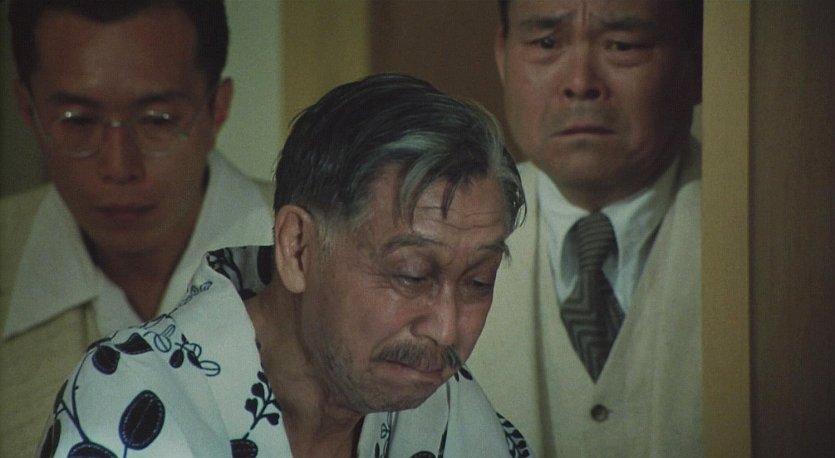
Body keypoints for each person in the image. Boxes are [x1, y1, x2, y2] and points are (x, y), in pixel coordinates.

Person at [37, 73, 532, 457]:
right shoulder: (133, 401)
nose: (446, 330)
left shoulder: (454, 411)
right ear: (297, 248)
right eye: (411, 275)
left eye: (478, 281)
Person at [0, 1, 274, 454]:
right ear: (28, 111)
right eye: (78, 120)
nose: (119, 165)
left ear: (217, 108)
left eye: (158, 120)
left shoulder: (332, 252)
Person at [466, 0, 703, 456]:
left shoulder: (767, 243)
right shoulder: (443, 242)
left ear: (696, 61)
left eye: (623, 45)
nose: (580, 83)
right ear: (503, 55)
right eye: (546, 43)